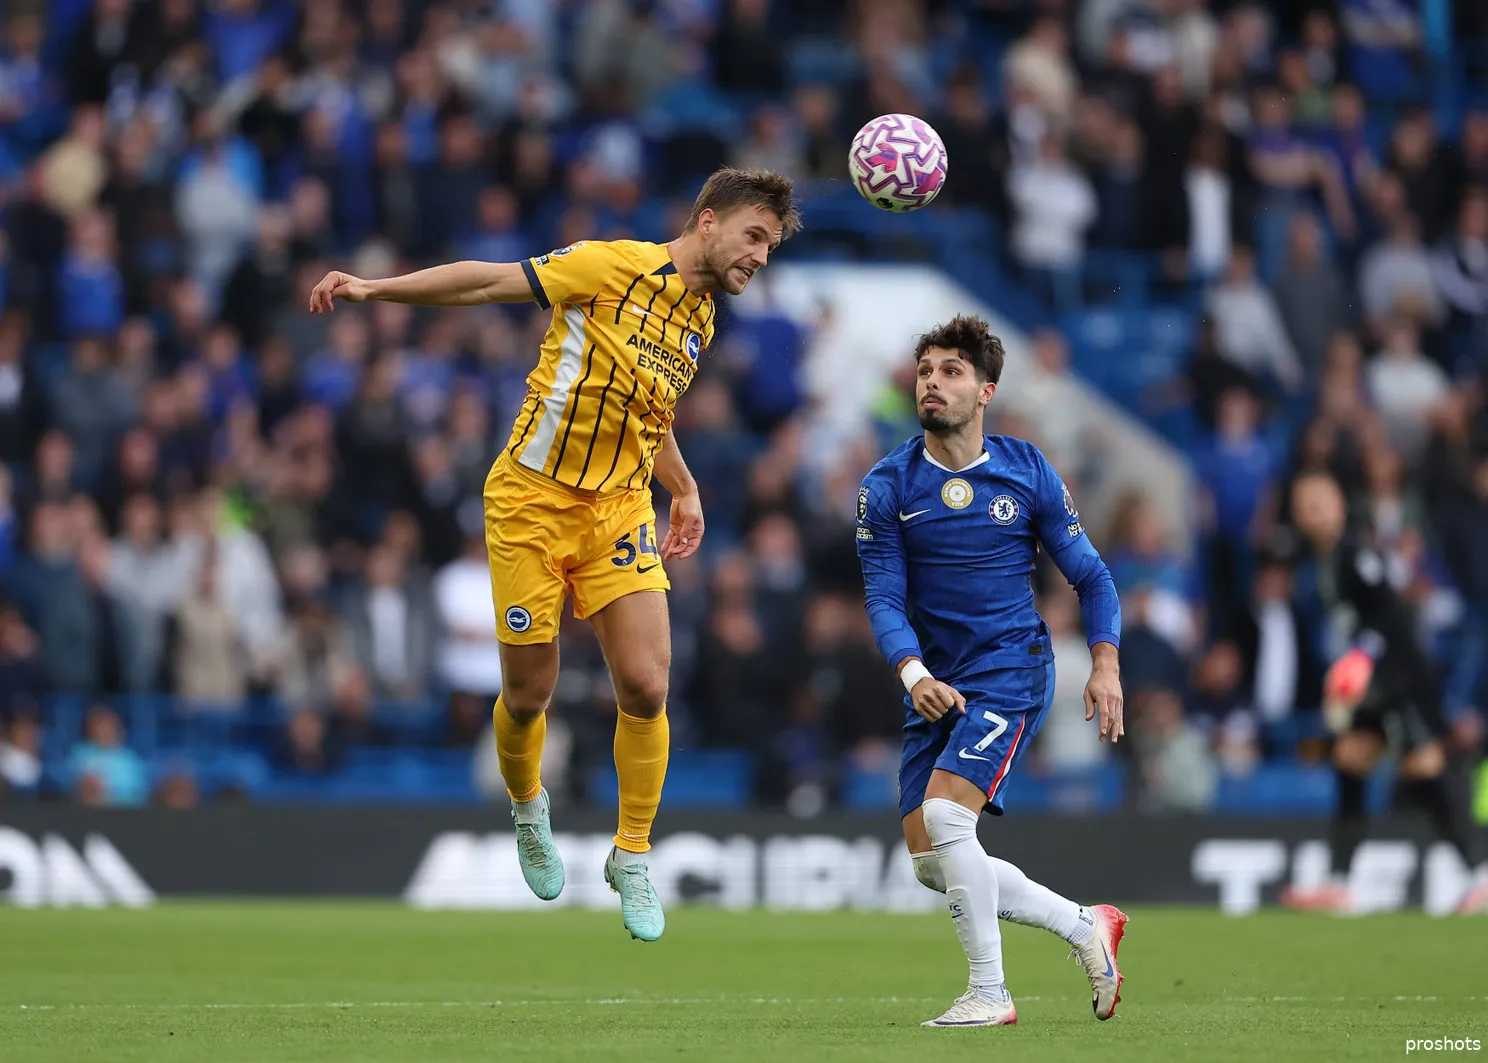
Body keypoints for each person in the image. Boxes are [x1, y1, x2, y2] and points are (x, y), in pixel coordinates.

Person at [309, 167, 800, 942]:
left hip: (618, 509)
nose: (760, 257)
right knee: (529, 694)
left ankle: (631, 853)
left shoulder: (701, 318)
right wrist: (376, 290)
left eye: (769, 247)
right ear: (708, 220)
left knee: (645, 682)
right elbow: (490, 283)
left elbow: (648, 410)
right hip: (532, 503)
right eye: (754, 237)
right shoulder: (612, 265)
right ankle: (528, 804)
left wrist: (685, 485)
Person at [855, 315, 1128, 1028]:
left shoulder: (1027, 469)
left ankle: (990, 991)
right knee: (933, 860)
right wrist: (914, 672)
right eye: (925, 371)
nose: (933, 383)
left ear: (985, 391)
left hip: (1011, 665)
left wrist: (1105, 663)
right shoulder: (887, 484)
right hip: (934, 683)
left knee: (948, 816)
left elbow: (1093, 578)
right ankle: (1084, 923)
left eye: (950, 371)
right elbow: (883, 596)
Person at [1280, 472, 1488, 915]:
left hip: (1397, 680)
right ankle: (1340, 883)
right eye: (1303, 506)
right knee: (1351, 760)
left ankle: (1479, 874)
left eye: (1319, 502)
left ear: (1339, 505)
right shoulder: (1327, 559)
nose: (1311, 513)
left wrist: (1362, 656)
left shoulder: (1355, 552)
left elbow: (1390, 612)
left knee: (1424, 767)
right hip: (1372, 686)